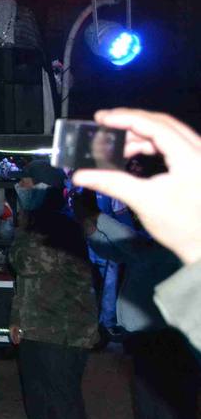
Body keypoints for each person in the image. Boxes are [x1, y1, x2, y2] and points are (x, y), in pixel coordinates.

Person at [77, 188, 193, 419]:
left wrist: (90, 207)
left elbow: (114, 236)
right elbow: (103, 240)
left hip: (173, 347)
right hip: (146, 345)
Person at [5, 165, 104, 419]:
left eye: (25, 183)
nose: (19, 188)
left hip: (64, 333)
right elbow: (25, 281)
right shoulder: (37, 223)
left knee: (66, 410)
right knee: (40, 406)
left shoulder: (59, 224)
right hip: (36, 328)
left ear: (43, 188)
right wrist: (16, 319)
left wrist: (18, 228)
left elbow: (26, 262)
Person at [71, 109, 201, 356]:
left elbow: (141, 250)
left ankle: (108, 324)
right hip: (144, 329)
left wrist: (100, 219)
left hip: (163, 332)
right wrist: (91, 227)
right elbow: (126, 251)